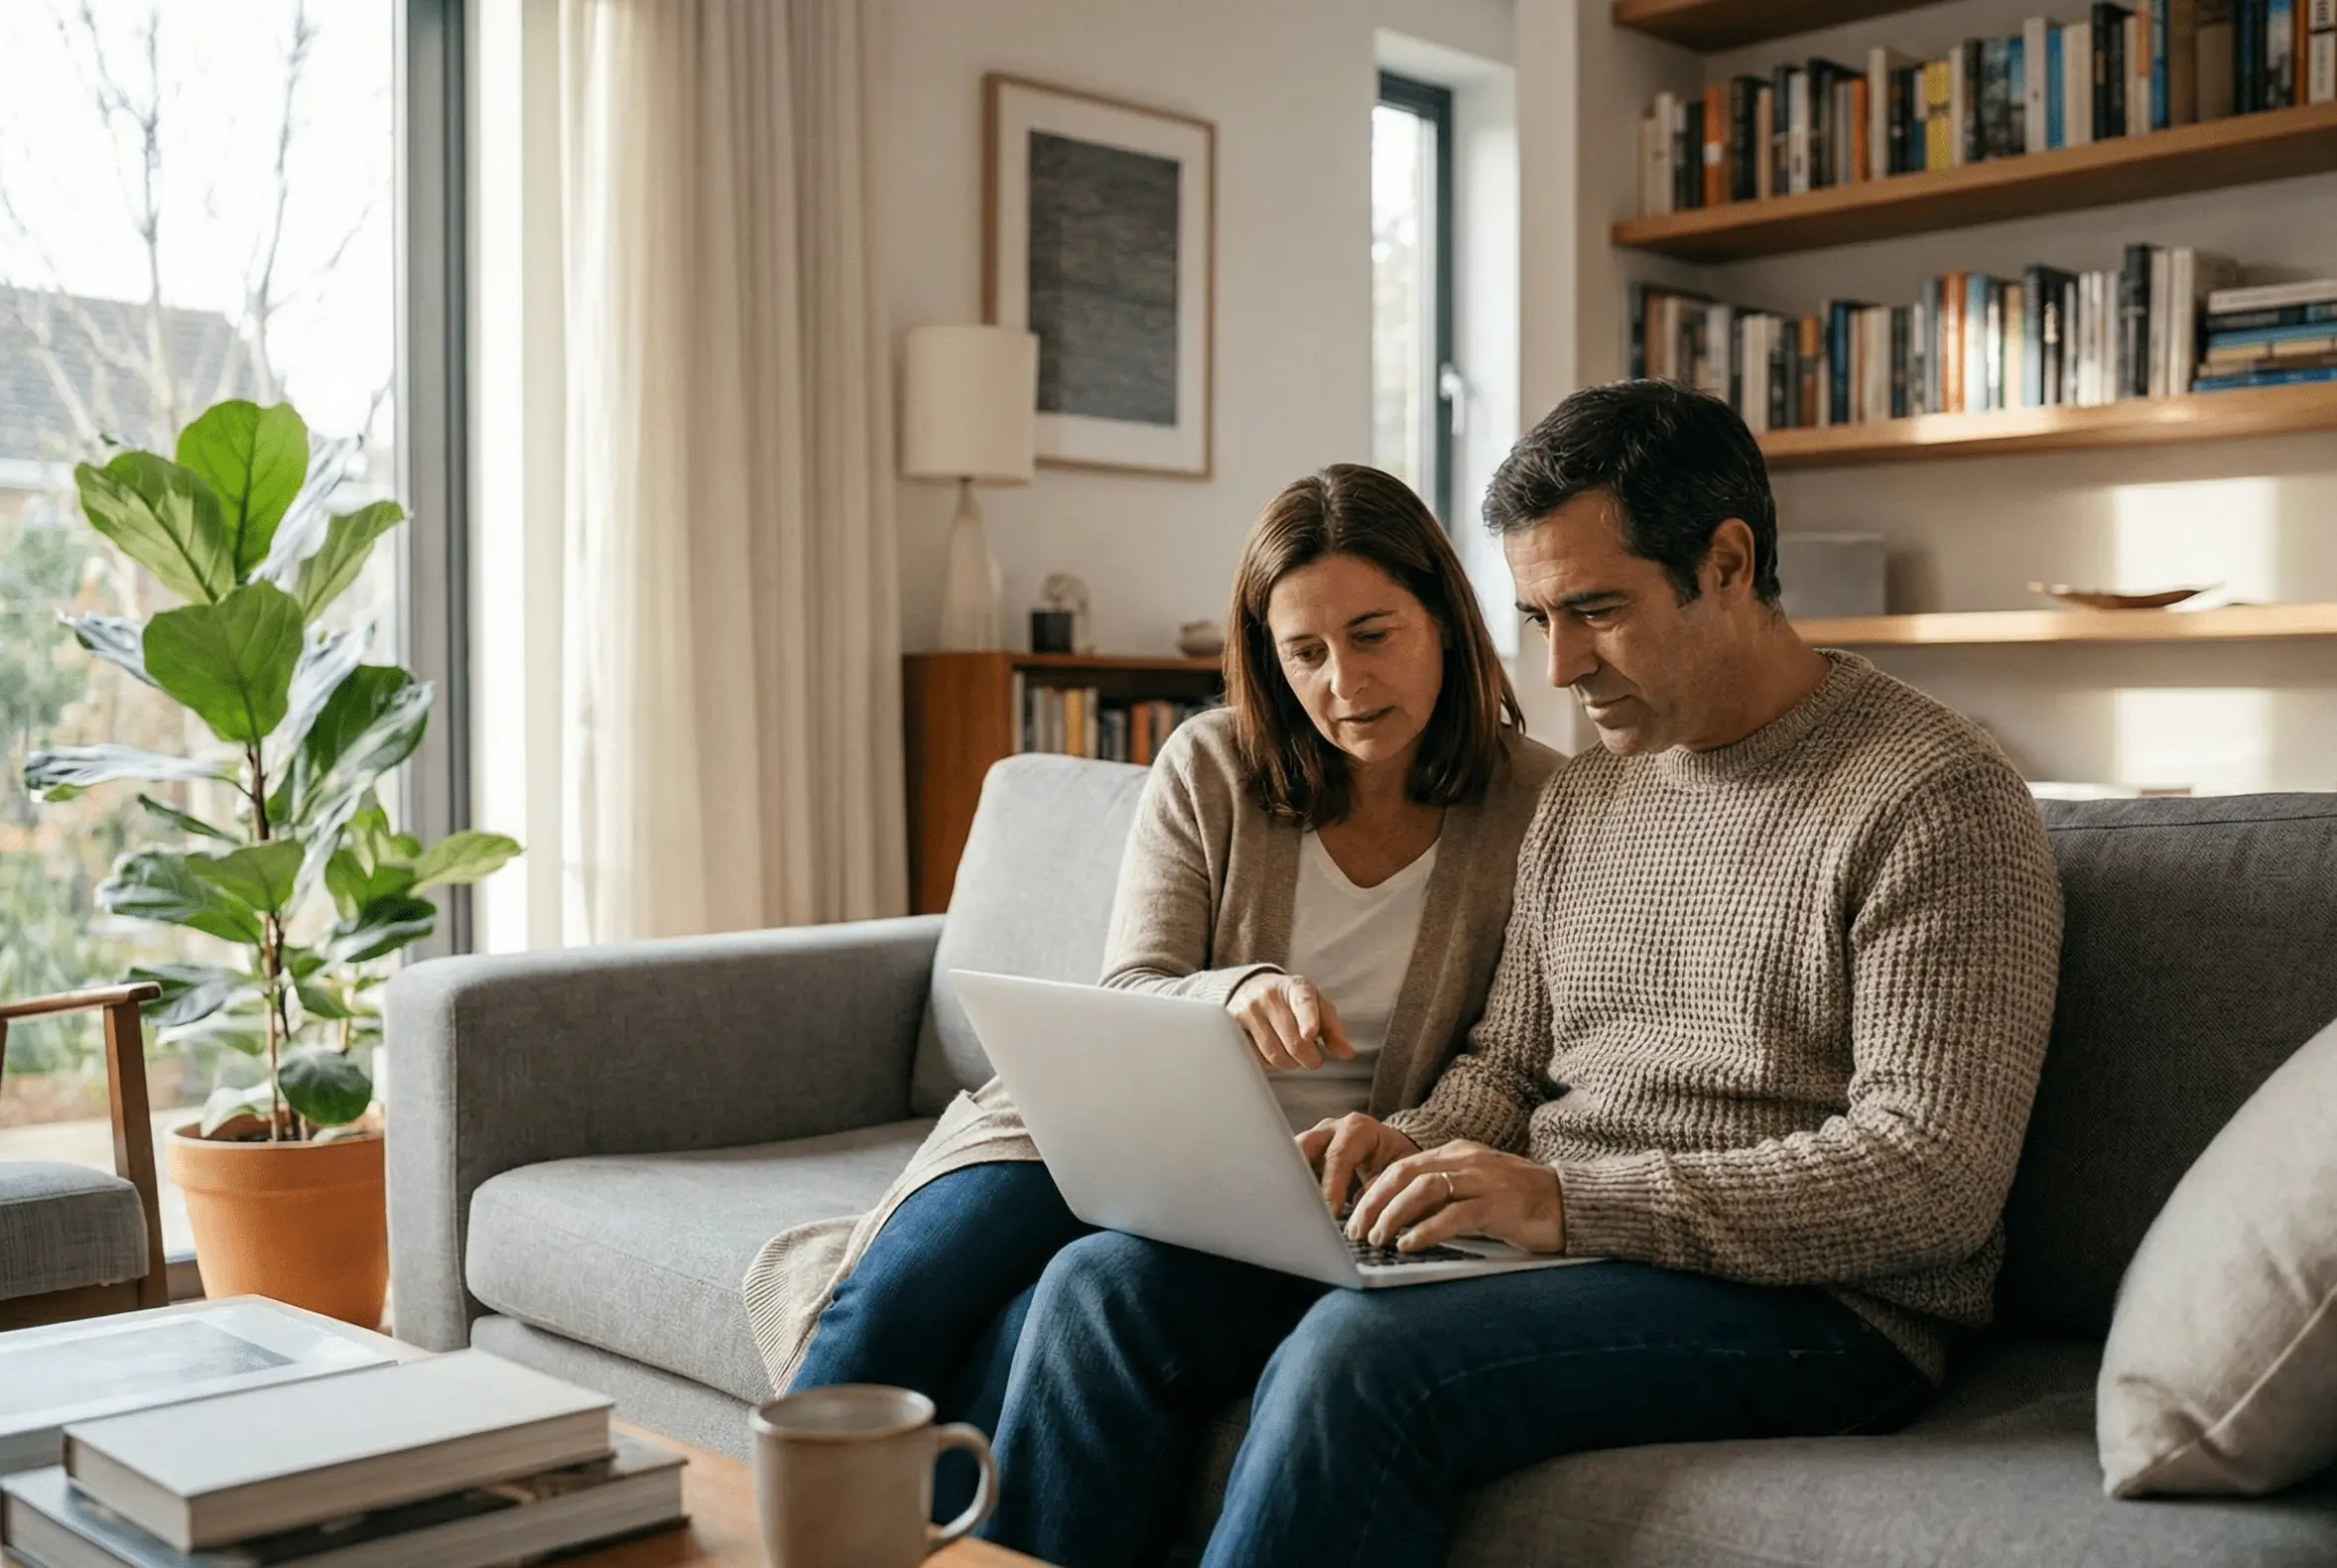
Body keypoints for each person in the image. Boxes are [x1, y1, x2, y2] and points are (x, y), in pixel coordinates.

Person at [981, 379, 2067, 1568]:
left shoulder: (1936, 795)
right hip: (1567, 1242)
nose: (1558, 666)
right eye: (1539, 615)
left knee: (1359, 1359)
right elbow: (1507, 1063)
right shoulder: (1588, 794)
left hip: (1822, 1304)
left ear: (1727, 562)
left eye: (1596, 609)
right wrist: (1404, 1147)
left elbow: (1931, 1176)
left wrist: (1564, 1202)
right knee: (1103, 1288)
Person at [740, 462, 1559, 1519]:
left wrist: (1402, 1141)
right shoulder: (1211, 762)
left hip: (1312, 1191)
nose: (1344, 683)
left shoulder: (1538, 801)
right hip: (1108, 1131)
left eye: (1373, 634)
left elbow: (1511, 1054)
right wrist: (1231, 991)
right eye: (1304, 652)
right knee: (895, 1297)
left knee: (1053, 1315)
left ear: (1443, 617)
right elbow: (1132, 983)